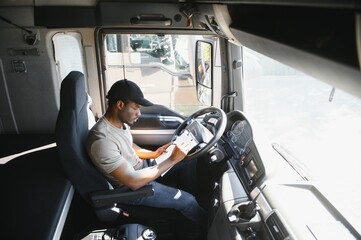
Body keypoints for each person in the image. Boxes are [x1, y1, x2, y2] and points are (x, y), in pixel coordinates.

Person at [86, 79, 206, 228]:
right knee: (188, 201)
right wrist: (172, 160)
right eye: (136, 108)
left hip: (141, 167)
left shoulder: (119, 123)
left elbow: (130, 146)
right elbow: (133, 181)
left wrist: (154, 154)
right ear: (120, 105)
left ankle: (188, 203)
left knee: (189, 158)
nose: (139, 113)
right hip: (133, 189)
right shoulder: (102, 141)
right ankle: (206, 228)